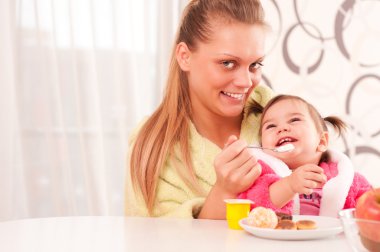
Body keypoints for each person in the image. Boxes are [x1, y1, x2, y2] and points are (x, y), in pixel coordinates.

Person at [125, 0, 274, 219]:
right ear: (185, 56)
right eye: (228, 63)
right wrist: (224, 192)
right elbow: (147, 241)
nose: (245, 82)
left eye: (255, 65)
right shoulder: (152, 147)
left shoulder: (281, 121)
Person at [238, 95, 372, 217]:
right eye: (271, 126)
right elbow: (251, 205)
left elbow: (370, 215)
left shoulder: (348, 180)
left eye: (294, 120)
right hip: (278, 243)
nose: (282, 128)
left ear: (321, 141)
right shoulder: (258, 174)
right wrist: (289, 185)